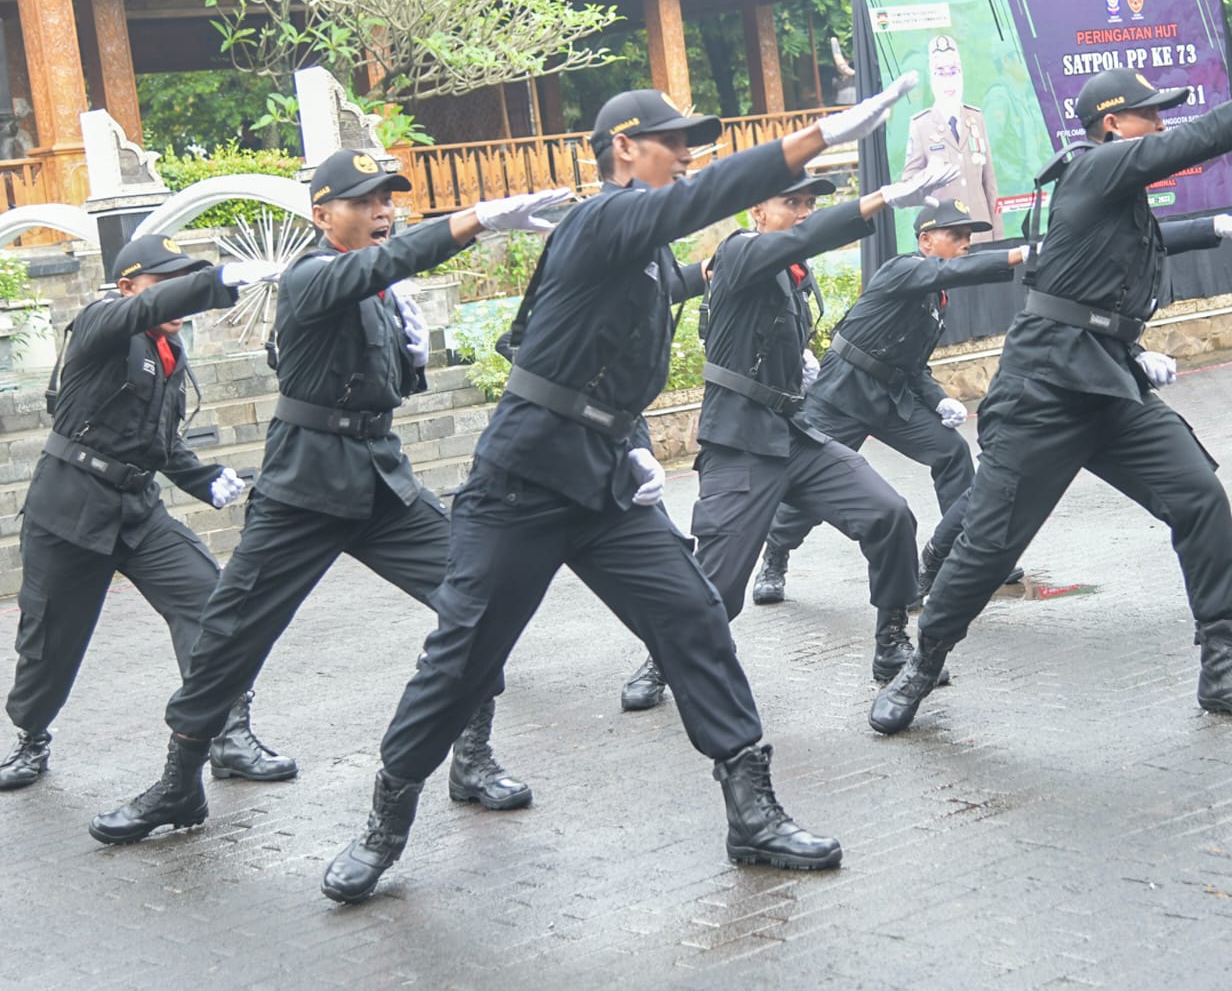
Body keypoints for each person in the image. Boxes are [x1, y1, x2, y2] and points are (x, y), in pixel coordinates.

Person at [317, 78, 921, 905]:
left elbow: (693, 282)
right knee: (461, 657)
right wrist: (815, 136)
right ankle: (385, 823)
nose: (687, 156)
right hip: (524, 478)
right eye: (672, 142)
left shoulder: (639, 256)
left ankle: (751, 810)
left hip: (602, 478)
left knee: (694, 616)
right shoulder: (605, 217)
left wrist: (629, 442)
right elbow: (707, 198)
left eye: (690, 143)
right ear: (624, 149)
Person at [869, 45, 1232, 737]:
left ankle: (1220, 664)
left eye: (1161, 116)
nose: (1161, 126)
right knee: (988, 547)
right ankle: (921, 665)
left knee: (1198, 496)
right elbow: (1210, 133)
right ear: (1109, 125)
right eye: (1147, 115)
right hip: (1044, 388)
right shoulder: (1094, 166)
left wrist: (1216, 229)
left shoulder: (1116, 194)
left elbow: (1146, 245)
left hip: (1106, 383)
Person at [88, 151, 565, 844]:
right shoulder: (312, 275)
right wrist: (470, 222)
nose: (383, 210)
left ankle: (472, 757)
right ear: (322, 215)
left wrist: (407, 355)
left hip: (378, 477)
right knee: (230, 633)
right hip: (303, 486)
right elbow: (375, 266)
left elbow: (377, 346)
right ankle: (178, 782)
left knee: (475, 600)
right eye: (364, 200)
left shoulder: (376, 290)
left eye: (388, 200)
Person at [617, 165, 956, 712]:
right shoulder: (740, 252)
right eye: (790, 203)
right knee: (719, 586)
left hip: (795, 434)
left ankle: (891, 645)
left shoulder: (794, 276)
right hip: (740, 443)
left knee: (889, 514)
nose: (801, 214)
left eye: (807, 205)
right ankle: (662, 657)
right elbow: (795, 244)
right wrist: (880, 200)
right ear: (758, 212)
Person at [0, 236, 285, 791]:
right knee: (50, 644)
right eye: (165, 286)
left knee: (210, 602)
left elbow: (159, 442)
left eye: (185, 285)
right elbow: (138, 312)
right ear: (128, 287)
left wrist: (201, 477)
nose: (177, 302)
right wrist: (212, 282)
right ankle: (31, 738)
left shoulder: (168, 355)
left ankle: (227, 736)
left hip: (138, 511)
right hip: (69, 511)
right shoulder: (102, 324)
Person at [749, 199, 1026, 611]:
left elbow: (914, 367)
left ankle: (972, 551)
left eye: (970, 236)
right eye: (957, 235)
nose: (967, 243)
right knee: (809, 490)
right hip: (841, 394)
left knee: (951, 453)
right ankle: (775, 557)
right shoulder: (903, 268)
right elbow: (954, 271)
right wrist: (1018, 254)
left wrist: (940, 399)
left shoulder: (936, 299)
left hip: (891, 398)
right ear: (927, 241)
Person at [904, 35, 1004, 241]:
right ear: (932, 78)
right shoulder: (921, 125)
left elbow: (989, 183)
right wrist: (929, 178)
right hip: (944, 237)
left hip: (980, 234)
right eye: (941, 73)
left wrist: (998, 235)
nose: (948, 80)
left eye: (953, 72)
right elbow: (907, 186)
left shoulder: (976, 118)